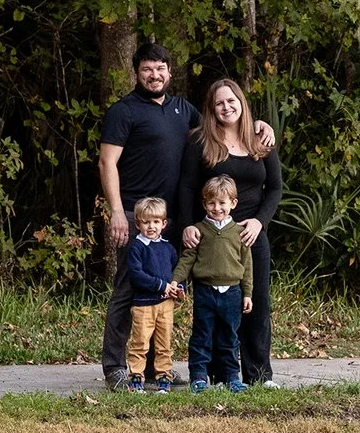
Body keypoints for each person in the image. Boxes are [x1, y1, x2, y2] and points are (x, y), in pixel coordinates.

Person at [95, 43, 274, 392]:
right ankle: (116, 367)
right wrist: (117, 211)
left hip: (175, 218)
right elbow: (107, 163)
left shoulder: (183, 110)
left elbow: (222, 123)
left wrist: (259, 124)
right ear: (137, 72)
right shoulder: (123, 112)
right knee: (130, 288)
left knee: (166, 293)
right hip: (138, 215)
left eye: (160, 68)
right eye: (147, 69)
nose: (154, 75)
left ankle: (153, 367)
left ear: (169, 72)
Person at [182, 78, 283, 386]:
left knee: (257, 304)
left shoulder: (260, 141)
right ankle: (216, 374)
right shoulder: (200, 141)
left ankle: (258, 375)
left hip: (251, 236)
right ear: (211, 110)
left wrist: (259, 222)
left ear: (242, 103)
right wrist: (188, 225)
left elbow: (275, 188)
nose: (226, 107)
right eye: (219, 103)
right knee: (214, 307)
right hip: (213, 239)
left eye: (231, 101)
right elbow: (186, 188)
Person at [171, 176, 255, 391]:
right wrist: (174, 280)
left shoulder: (239, 232)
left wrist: (247, 294)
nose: (216, 208)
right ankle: (198, 376)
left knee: (229, 337)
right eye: (211, 203)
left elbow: (246, 265)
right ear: (204, 204)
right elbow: (187, 259)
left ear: (233, 203)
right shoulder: (199, 230)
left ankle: (231, 377)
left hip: (232, 292)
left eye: (222, 203)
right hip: (205, 291)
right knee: (202, 335)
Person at [120, 199, 182, 392]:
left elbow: (177, 271)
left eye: (156, 222)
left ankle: (164, 376)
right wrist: (161, 286)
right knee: (140, 343)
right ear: (138, 224)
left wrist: (178, 287)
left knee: (164, 344)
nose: (151, 227)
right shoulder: (137, 247)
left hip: (166, 305)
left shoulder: (168, 248)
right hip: (144, 306)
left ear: (163, 224)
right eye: (146, 222)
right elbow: (137, 275)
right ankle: (136, 377)